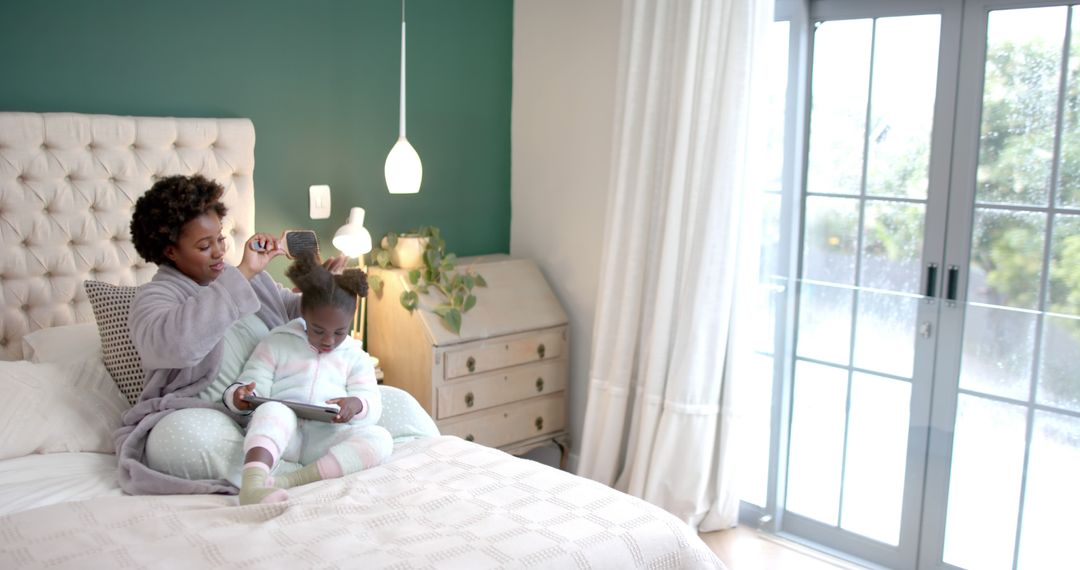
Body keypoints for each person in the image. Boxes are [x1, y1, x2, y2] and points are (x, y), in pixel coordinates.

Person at [115, 174, 346, 495]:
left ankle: (286, 464)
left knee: (387, 403)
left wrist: (322, 291)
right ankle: (303, 468)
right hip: (214, 420)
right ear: (170, 251)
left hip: (276, 410)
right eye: (204, 246)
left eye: (220, 239)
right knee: (180, 439)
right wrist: (245, 272)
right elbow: (176, 345)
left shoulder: (254, 282)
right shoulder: (155, 299)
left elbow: (295, 319)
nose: (219, 252)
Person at [232, 253, 392, 505]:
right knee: (274, 409)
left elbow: (372, 401)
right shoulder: (277, 342)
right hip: (285, 434)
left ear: (350, 321)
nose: (328, 340)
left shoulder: (355, 357)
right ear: (304, 313)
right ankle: (251, 486)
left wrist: (356, 405)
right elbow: (253, 381)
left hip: (327, 438)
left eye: (339, 332)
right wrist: (240, 396)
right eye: (319, 330)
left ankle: (290, 481)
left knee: (381, 438)